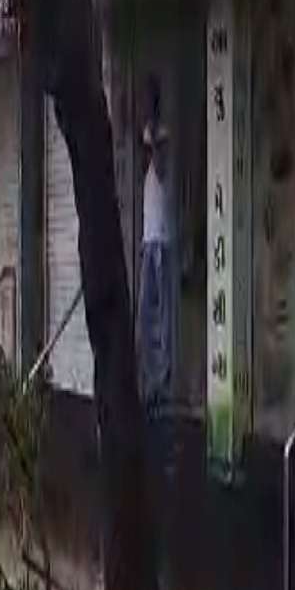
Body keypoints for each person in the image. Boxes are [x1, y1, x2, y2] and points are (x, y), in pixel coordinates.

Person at [138, 95, 173, 410]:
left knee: (161, 316)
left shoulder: (163, 148)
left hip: (161, 243)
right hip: (149, 243)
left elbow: (162, 165)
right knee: (145, 316)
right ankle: (151, 381)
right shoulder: (150, 160)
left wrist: (154, 138)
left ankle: (162, 383)